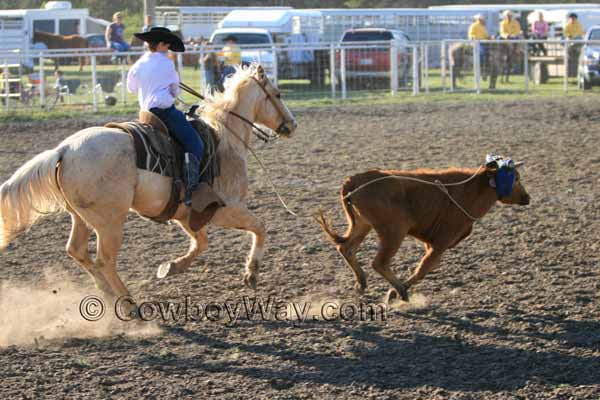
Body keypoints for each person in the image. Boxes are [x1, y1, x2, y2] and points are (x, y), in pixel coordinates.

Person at [127, 27, 216, 208]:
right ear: (160, 44)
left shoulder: (138, 64)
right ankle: (192, 188)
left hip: (146, 113)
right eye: (167, 44)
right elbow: (175, 90)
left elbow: (132, 88)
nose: (168, 47)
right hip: (164, 112)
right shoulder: (167, 63)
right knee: (195, 144)